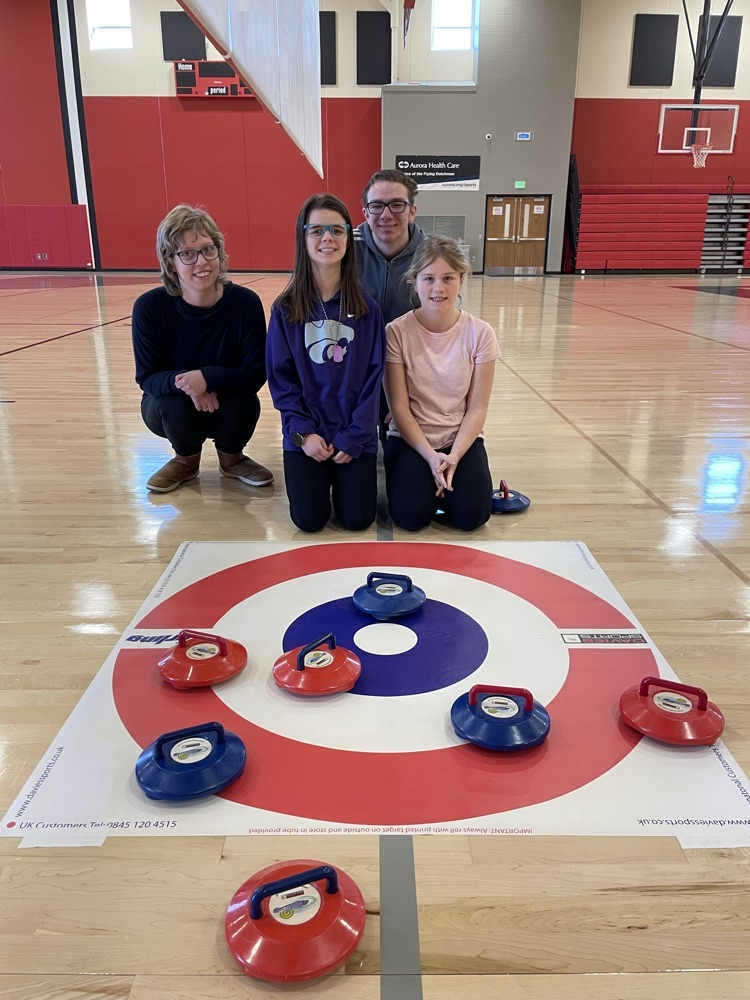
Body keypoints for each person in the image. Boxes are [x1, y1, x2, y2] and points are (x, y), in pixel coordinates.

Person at [132, 205, 273, 494]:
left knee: (243, 401)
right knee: (172, 404)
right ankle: (185, 460)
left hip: (228, 401)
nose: (202, 262)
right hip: (173, 405)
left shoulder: (245, 304)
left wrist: (207, 378)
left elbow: (256, 373)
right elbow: (147, 378)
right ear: (171, 263)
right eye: (187, 253)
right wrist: (189, 383)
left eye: (208, 249)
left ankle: (232, 459)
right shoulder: (149, 307)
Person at [266, 194, 385, 533]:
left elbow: (375, 376)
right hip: (307, 434)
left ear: (349, 237)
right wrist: (304, 434)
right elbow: (280, 378)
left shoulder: (367, 308)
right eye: (316, 230)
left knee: (358, 519)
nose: (327, 239)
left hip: (354, 435)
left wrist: (357, 435)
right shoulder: (286, 309)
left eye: (336, 230)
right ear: (303, 239)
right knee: (309, 521)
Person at [383, 235, 500, 532]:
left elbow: (478, 407)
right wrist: (431, 457)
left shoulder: (480, 333)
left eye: (448, 278)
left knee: (473, 517)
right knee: (411, 518)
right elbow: (399, 407)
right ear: (414, 281)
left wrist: (454, 457)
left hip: (459, 438)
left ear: (461, 279)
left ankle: (449, 486)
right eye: (429, 278)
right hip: (412, 439)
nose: (438, 288)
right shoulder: (396, 332)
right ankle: (433, 484)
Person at [353, 168, 427, 324]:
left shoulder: (430, 254)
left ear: (412, 212)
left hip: (409, 345)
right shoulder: (345, 246)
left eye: (397, 204)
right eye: (376, 205)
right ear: (366, 214)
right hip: (357, 344)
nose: (386, 215)